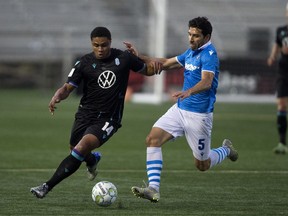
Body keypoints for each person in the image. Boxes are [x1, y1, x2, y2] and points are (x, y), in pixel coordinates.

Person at [30, 26, 162, 199]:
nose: (100, 49)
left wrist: (158, 67)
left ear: (110, 42)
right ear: (91, 44)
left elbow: (148, 70)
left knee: (81, 148)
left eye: (104, 45)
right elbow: (67, 87)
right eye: (96, 45)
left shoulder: (124, 58)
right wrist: (57, 95)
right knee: (75, 148)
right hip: (85, 114)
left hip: (109, 118)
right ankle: (92, 161)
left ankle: (46, 186)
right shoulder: (84, 62)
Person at [124, 16, 239, 203]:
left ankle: (226, 149)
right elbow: (165, 63)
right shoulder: (191, 52)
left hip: (199, 116)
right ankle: (153, 189)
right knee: (152, 139)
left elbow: (207, 82)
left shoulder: (209, 55)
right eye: (189, 34)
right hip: (179, 109)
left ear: (207, 37)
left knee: (202, 165)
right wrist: (138, 56)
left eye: (196, 35)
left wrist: (189, 91)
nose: (191, 39)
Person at [267, 3, 288, 154]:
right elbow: (277, 45)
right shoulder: (281, 31)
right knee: (281, 104)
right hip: (283, 71)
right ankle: (282, 143)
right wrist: (273, 56)